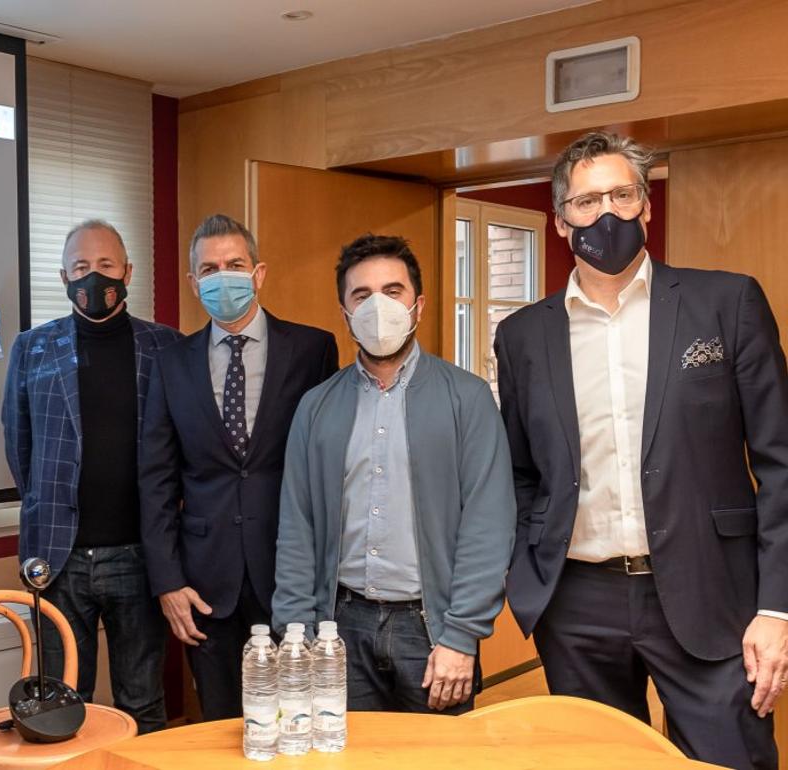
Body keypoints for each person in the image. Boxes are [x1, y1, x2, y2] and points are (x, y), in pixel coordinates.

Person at [494, 131, 788, 769]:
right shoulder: (521, 336)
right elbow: (520, 471)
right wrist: (526, 568)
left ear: (646, 206)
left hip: (713, 593)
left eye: (622, 195)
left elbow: (780, 464)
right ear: (560, 217)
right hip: (576, 603)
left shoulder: (726, 303)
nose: (606, 213)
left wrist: (776, 607)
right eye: (587, 200)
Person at [273, 234, 514, 714]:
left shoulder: (466, 399)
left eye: (393, 290)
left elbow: (488, 525)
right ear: (344, 313)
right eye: (361, 295)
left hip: (431, 631)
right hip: (339, 627)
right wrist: (294, 634)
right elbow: (297, 528)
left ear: (417, 305)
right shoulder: (316, 407)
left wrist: (463, 636)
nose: (377, 305)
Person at [139, 213, 338, 720]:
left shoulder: (312, 349)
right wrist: (166, 581)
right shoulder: (171, 362)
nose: (222, 276)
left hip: (291, 571)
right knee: (221, 723)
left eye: (234, 264)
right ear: (193, 283)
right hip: (205, 581)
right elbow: (157, 478)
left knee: (300, 717)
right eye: (209, 269)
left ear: (259, 273)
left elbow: (329, 465)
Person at [1, 219, 181, 734]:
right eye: (81, 267)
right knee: (60, 707)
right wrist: (49, 507)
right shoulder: (32, 348)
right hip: (59, 558)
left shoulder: (167, 348)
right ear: (63, 276)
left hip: (142, 558)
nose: (93, 278)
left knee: (143, 703)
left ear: (127, 271)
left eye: (105, 266)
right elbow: (19, 446)